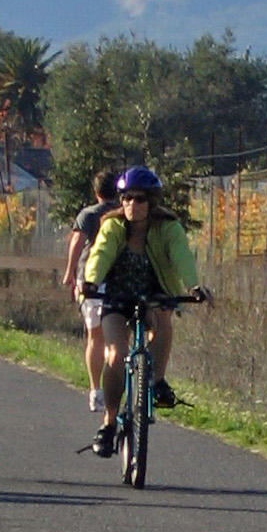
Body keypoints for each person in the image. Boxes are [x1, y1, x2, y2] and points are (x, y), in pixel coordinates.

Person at [82, 166, 200, 457]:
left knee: (161, 318)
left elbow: (182, 256)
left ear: (152, 201)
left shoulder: (168, 227)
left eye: (140, 199)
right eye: (127, 199)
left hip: (154, 294)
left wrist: (194, 286)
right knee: (116, 355)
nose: (132, 205)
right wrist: (91, 281)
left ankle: (157, 380)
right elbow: (101, 252)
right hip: (117, 297)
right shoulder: (112, 226)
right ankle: (109, 422)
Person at [62, 169, 117, 412]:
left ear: (96, 193)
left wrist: (70, 273)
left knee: (95, 334)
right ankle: (118, 384)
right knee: (117, 336)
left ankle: (96, 390)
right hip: (117, 277)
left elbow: (76, 243)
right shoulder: (123, 214)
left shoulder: (89, 214)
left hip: (92, 279)